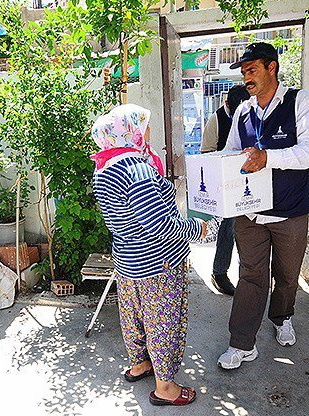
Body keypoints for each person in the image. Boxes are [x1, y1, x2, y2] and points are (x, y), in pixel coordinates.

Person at [216, 43, 309, 370]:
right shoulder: (243, 111)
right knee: (250, 275)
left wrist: (268, 158)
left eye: (252, 70)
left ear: (272, 68)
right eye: (244, 71)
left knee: (287, 275)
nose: (246, 76)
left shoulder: (299, 102)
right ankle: (241, 343)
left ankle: (282, 317)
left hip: (290, 211)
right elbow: (231, 151)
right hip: (250, 212)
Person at [91, 104, 207, 406]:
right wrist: (197, 229)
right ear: (131, 131)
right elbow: (160, 225)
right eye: (144, 125)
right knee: (163, 320)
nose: (148, 131)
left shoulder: (105, 169)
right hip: (158, 260)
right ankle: (165, 387)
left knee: (134, 315)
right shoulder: (137, 169)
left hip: (128, 259)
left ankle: (140, 363)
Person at [200, 85, 251, 296]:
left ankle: (250, 277)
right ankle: (219, 273)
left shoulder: (253, 114)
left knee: (251, 229)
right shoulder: (217, 119)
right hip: (225, 184)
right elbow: (206, 152)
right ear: (228, 104)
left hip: (251, 181)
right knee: (228, 226)